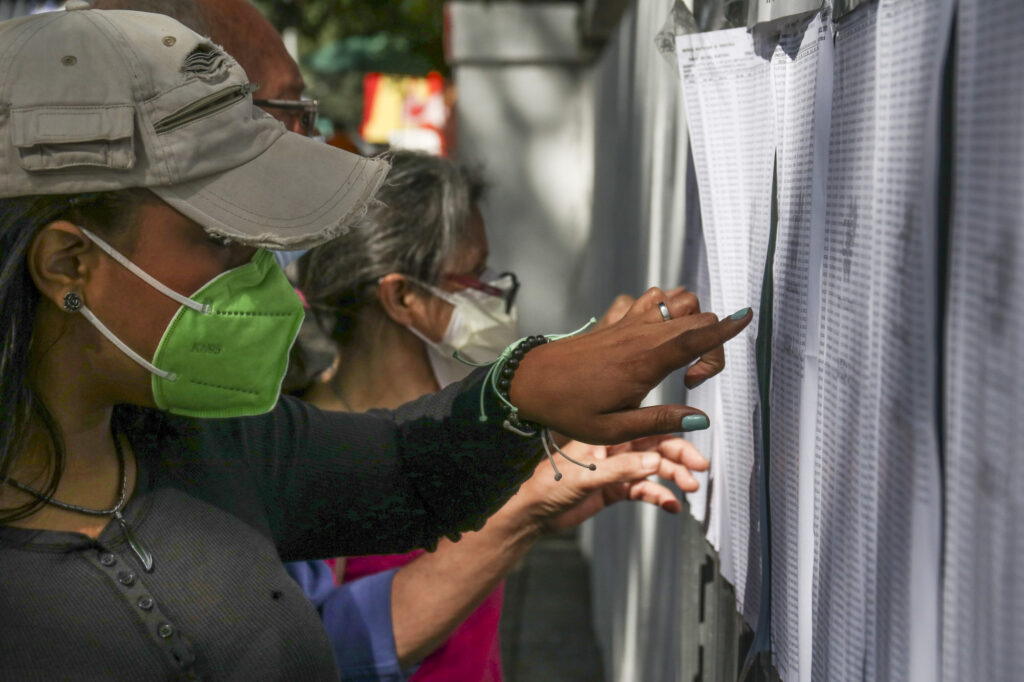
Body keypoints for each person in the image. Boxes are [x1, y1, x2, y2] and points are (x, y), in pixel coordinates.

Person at [0, 6, 751, 680]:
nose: (264, 276)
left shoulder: (205, 447)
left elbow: (405, 468)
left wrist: (525, 386)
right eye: (225, 237)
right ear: (70, 264)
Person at [287, 150, 715, 681]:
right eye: (474, 275)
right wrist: (525, 511)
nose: (498, 293)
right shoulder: (302, 463)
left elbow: (463, 536)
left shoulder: (447, 432)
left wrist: (549, 485)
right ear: (404, 298)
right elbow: (326, 646)